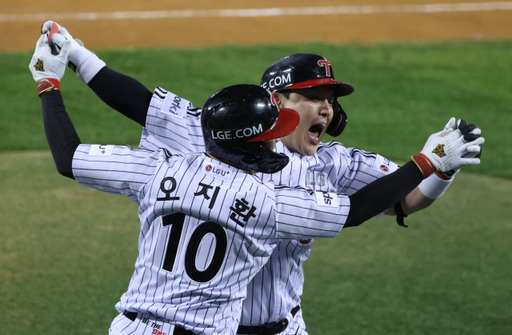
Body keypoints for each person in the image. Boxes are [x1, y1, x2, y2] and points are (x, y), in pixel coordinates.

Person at [38, 21, 484, 334]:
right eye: (313, 97)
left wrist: (441, 168)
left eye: (330, 98)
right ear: (275, 100)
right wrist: (76, 55)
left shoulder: (329, 161)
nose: (326, 108)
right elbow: (139, 103)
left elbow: (406, 199)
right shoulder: (231, 149)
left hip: (280, 325)